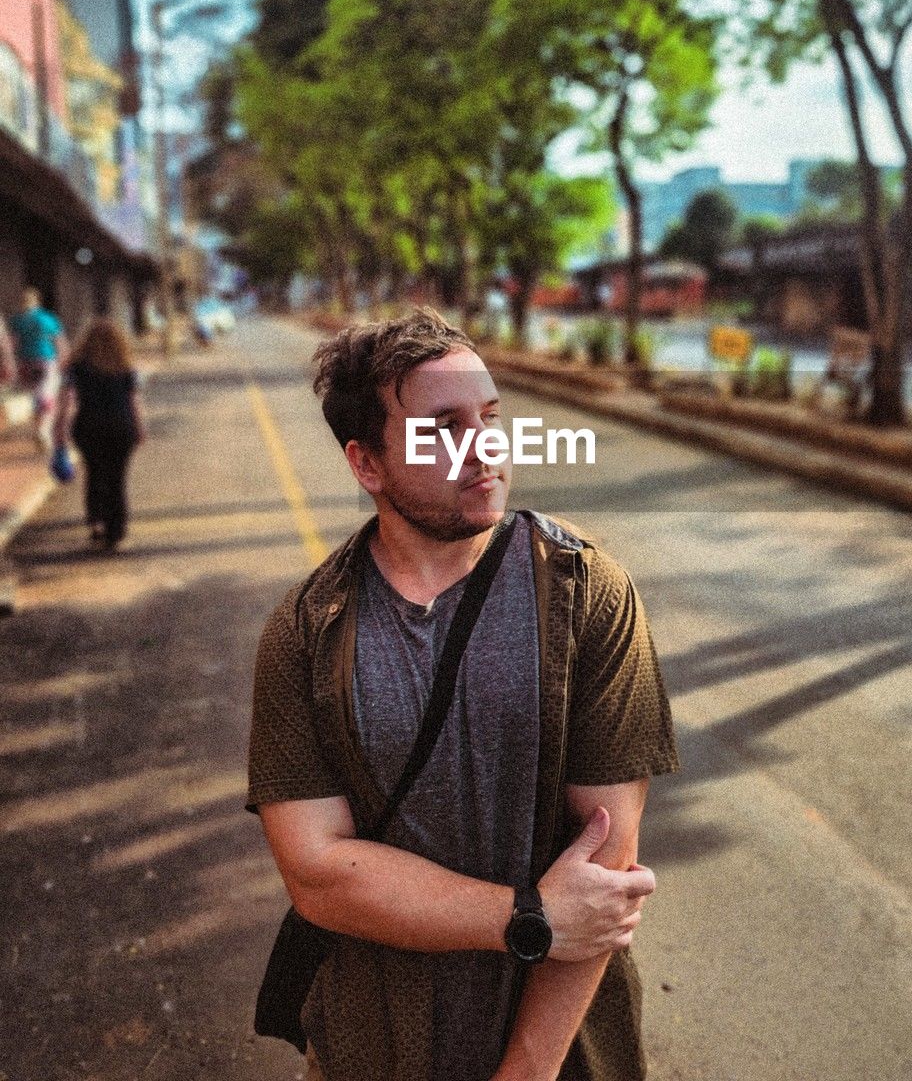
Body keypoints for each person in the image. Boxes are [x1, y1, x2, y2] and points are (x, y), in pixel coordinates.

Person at [247, 308, 679, 1081]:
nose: (485, 447)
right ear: (367, 464)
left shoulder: (586, 594)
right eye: (442, 427)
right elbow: (316, 874)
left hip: (563, 1050)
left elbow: (604, 865)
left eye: (490, 416)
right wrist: (530, 917)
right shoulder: (308, 631)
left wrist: (526, 1072)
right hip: (371, 1045)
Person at [53, 317, 146, 550]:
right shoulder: (125, 367)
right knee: (117, 478)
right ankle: (116, 529)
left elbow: (65, 401)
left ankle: (96, 522)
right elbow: (134, 402)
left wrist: (59, 428)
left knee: (94, 473)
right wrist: (140, 428)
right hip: (121, 427)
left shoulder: (75, 367)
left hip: (88, 426)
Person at [8, 287, 67, 453]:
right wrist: (65, 360)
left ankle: (38, 427)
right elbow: (59, 341)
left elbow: (12, 344)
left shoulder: (16, 320)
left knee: (34, 396)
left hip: (25, 362)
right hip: (46, 360)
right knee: (47, 395)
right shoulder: (47, 318)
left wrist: (11, 364)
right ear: (37, 301)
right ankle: (43, 430)